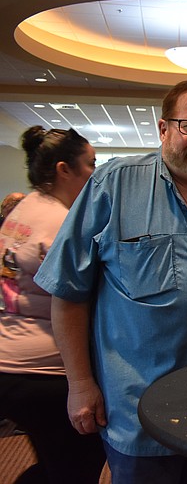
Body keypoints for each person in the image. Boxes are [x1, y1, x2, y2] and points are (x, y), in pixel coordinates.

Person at [34, 79, 187, 484]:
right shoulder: (113, 185)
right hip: (135, 409)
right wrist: (80, 384)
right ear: (163, 128)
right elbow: (68, 294)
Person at [0, 127, 104, 483]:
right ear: (64, 169)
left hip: (10, 362)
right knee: (76, 467)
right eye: (91, 164)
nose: (95, 173)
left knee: (54, 464)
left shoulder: (23, 208)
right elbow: (85, 295)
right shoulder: (61, 224)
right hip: (44, 372)